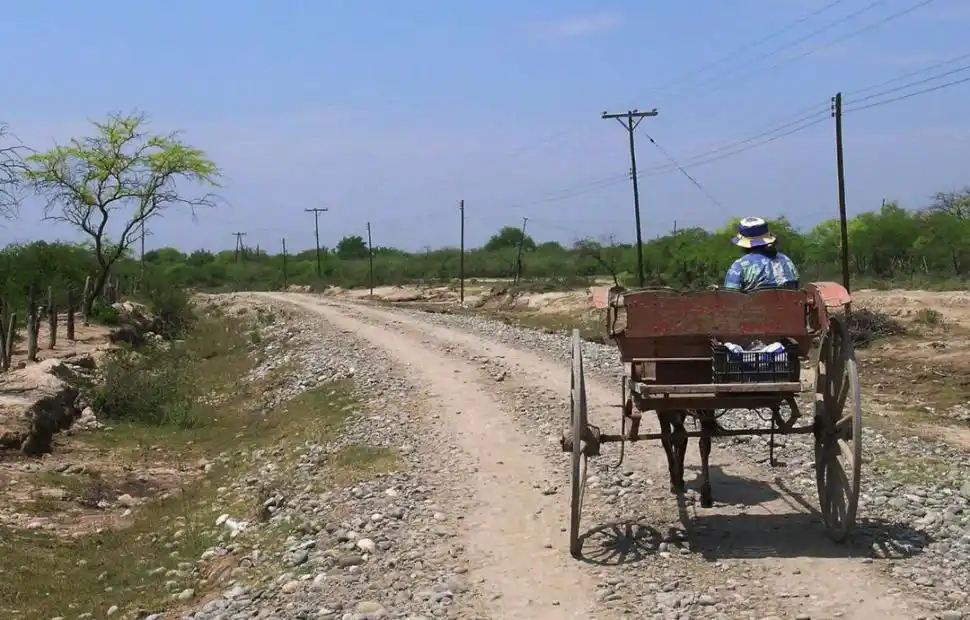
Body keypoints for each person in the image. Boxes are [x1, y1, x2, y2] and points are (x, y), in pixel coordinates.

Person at [723, 217, 800, 292]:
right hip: (789, 304)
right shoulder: (786, 261)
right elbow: (797, 288)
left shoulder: (740, 266)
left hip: (754, 305)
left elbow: (729, 298)